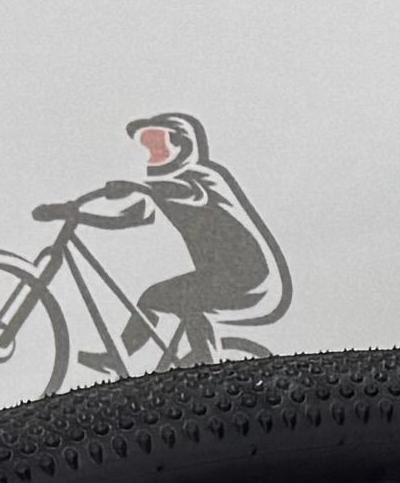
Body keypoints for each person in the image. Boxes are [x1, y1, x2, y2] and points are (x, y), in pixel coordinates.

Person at [39, 114, 291, 366]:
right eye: (147, 145)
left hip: (249, 276)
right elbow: (132, 216)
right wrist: (77, 216)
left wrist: (134, 186)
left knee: (185, 298)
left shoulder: (201, 177)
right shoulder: (161, 189)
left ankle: (207, 366)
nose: (152, 151)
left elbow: (186, 193)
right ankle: (119, 358)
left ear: (182, 145)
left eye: (158, 142)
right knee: (154, 298)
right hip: (217, 275)